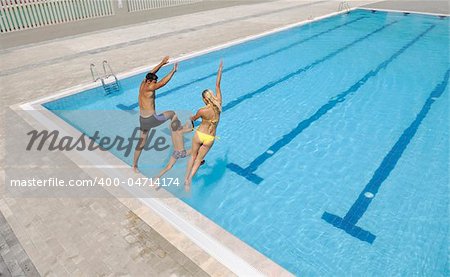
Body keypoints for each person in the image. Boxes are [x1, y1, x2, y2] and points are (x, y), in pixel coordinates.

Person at [133, 56, 178, 173]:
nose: (155, 84)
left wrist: (162, 63)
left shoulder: (143, 83)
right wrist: (172, 71)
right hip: (153, 119)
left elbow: (151, 72)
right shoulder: (150, 87)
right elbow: (163, 82)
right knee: (172, 114)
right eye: (154, 82)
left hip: (142, 120)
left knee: (141, 143)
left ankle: (134, 165)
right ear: (149, 82)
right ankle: (177, 140)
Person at [185, 61, 223, 189]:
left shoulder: (202, 111)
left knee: (193, 156)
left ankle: (185, 177)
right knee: (198, 160)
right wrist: (220, 69)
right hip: (210, 138)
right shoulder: (219, 104)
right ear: (211, 97)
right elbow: (217, 85)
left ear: (204, 99)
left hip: (200, 134)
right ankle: (189, 180)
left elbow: (194, 119)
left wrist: (191, 118)